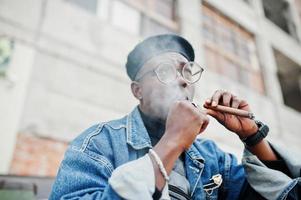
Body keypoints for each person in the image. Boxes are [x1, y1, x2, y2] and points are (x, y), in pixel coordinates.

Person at [49, 34, 300, 200]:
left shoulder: (211, 156)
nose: (182, 79)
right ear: (138, 90)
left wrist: (253, 136)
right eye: (165, 70)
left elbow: (278, 196)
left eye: (187, 71)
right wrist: (172, 141)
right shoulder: (98, 143)